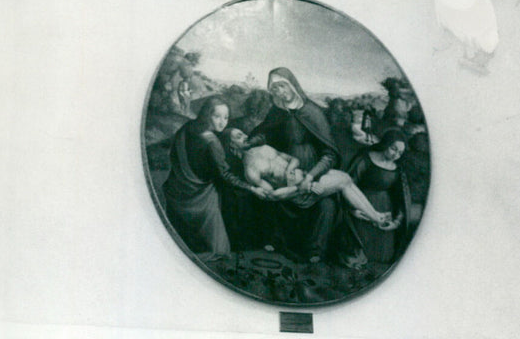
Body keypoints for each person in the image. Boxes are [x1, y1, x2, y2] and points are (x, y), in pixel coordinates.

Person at [248, 68, 341, 262]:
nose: (279, 92)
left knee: (326, 204)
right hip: (285, 168)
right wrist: (253, 142)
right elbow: (266, 133)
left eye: (282, 86)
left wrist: (312, 175)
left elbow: (329, 153)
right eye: (274, 88)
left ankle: (315, 250)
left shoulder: (312, 112)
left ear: (292, 85)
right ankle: (277, 242)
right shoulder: (277, 112)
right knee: (272, 198)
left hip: (312, 169)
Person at [224, 129, 399, 230]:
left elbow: (293, 160)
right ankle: (376, 218)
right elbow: (273, 196)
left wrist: (291, 169)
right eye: (238, 137)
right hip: (300, 195)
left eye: (243, 133)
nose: (245, 136)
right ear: (232, 146)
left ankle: (374, 215)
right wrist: (303, 188)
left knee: (345, 178)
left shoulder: (264, 147)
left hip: (306, 177)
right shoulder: (250, 170)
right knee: (343, 181)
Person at [162, 95, 269, 256]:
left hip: (177, 186)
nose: (222, 122)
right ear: (207, 114)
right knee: (239, 199)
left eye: (226, 118)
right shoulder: (212, 141)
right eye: (217, 116)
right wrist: (252, 188)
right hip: (200, 194)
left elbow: (174, 155)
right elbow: (225, 175)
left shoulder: (188, 127)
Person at [344, 130, 411, 267]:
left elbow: (400, 198)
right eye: (393, 149)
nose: (395, 155)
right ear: (385, 144)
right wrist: (352, 210)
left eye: (400, 153)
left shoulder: (397, 169)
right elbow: (348, 185)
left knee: (382, 256)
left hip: (385, 209)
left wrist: (397, 221)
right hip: (361, 204)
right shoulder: (365, 158)